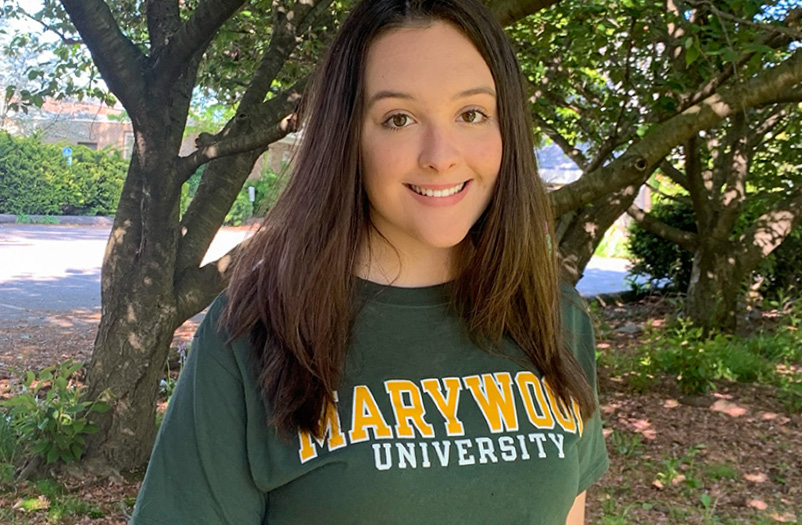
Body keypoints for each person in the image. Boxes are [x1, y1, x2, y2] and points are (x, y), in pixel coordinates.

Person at [131, 0, 608, 523]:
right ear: (348, 137)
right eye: (398, 119)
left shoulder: (553, 316)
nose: (440, 155)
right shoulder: (254, 333)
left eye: (471, 114)